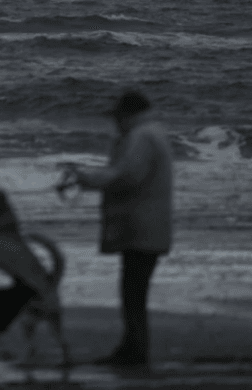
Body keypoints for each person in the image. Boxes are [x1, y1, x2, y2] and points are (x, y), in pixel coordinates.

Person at [68, 90, 173, 368]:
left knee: (133, 293)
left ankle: (135, 352)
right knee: (134, 291)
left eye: (117, 118)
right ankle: (132, 348)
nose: (115, 124)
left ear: (128, 115)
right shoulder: (151, 133)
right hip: (148, 225)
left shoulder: (141, 137)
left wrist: (86, 178)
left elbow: (127, 177)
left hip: (141, 226)